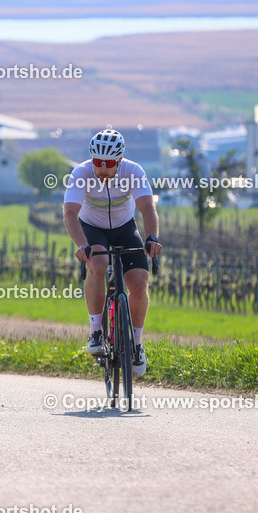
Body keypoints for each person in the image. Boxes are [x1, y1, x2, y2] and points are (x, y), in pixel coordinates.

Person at [64, 128, 163, 376]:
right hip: (92, 228)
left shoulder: (133, 171)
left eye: (109, 164)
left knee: (140, 283)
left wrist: (152, 238)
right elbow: (69, 214)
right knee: (98, 264)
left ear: (119, 161)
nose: (103, 169)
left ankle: (137, 345)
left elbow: (147, 208)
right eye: (98, 162)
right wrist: (81, 244)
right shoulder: (81, 173)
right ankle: (96, 330)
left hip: (124, 227)